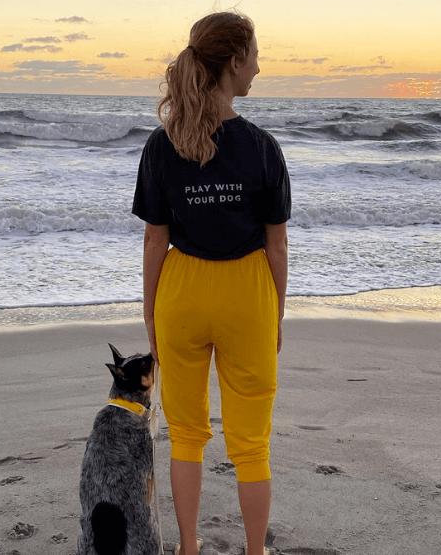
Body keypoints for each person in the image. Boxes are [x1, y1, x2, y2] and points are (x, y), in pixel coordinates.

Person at [132, 11, 290, 555]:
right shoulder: (262, 147)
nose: (258, 68)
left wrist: (150, 312)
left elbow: (156, 240)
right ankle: (253, 551)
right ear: (233, 63)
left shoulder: (161, 145)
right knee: (251, 443)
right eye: (253, 57)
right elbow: (276, 245)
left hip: (181, 292)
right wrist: (278, 314)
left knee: (187, 436)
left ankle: (189, 548)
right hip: (247, 293)